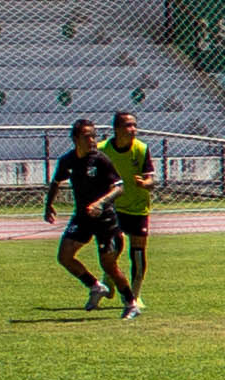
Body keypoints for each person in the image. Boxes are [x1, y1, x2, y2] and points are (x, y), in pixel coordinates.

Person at [44, 117, 124, 309]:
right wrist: (49, 205)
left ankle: (130, 301)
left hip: (104, 217)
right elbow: (56, 182)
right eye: (87, 137)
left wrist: (100, 203)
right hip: (81, 216)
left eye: (93, 136)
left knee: (109, 264)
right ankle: (96, 286)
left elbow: (119, 186)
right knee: (64, 256)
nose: (92, 140)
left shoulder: (100, 160)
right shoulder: (68, 160)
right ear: (76, 138)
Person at [103, 110, 156, 316]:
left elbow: (151, 179)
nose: (132, 129)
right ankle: (110, 277)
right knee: (112, 249)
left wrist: (145, 183)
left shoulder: (141, 149)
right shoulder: (103, 149)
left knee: (138, 252)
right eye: (127, 125)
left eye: (134, 125)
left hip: (137, 207)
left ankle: (135, 295)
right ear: (116, 129)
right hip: (113, 207)